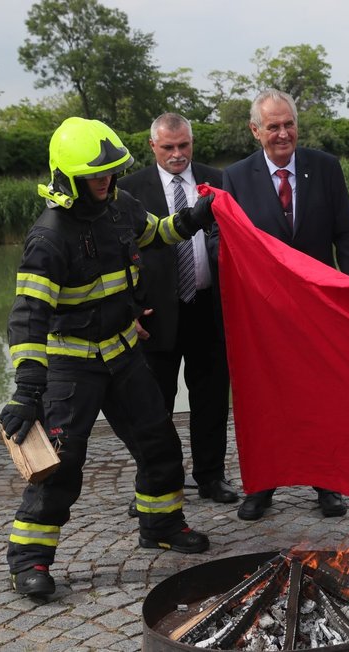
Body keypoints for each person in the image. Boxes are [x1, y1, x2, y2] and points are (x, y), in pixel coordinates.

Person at [0, 117, 215, 598]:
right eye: (97, 176)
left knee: (158, 441)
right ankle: (29, 559)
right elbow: (28, 318)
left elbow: (152, 233)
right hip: (71, 366)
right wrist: (27, 389)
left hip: (122, 352)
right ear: (68, 178)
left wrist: (191, 221)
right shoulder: (49, 236)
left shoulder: (117, 205)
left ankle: (160, 525)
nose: (107, 182)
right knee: (61, 465)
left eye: (111, 173)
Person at [223, 89, 349, 521]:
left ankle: (329, 484)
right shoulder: (236, 177)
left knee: (325, 396)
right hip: (264, 313)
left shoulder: (325, 168)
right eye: (273, 126)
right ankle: (262, 485)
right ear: (255, 131)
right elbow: (226, 242)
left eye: (289, 124)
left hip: (321, 307)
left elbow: (347, 234)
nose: (283, 133)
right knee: (264, 398)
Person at [119, 113, 236, 505]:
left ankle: (211, 477)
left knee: (211, 399)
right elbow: (120, 256)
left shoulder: (219, 182)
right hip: (155, 313)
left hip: (209, 306)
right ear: (152, 146)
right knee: (153, 406)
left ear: (192, 141)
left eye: (183, 145)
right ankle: (155, 483)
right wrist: (130, 309)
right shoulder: (129, 191)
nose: (177, 154)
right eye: (168, 147)